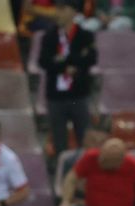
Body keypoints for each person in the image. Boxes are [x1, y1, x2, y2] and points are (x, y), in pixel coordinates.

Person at [38, 0, 96, 157]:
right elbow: (44, 61)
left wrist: (61, 60)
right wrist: (68, 65)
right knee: (59, 141)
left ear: (74, 12)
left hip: (79, 94)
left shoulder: (85, 35)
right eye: (57, 9)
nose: (58, 12)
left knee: (85, 138)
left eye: (63, 9)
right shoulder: (49, 36)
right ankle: (61, 168)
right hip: (56, 96)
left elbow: (91, 58)